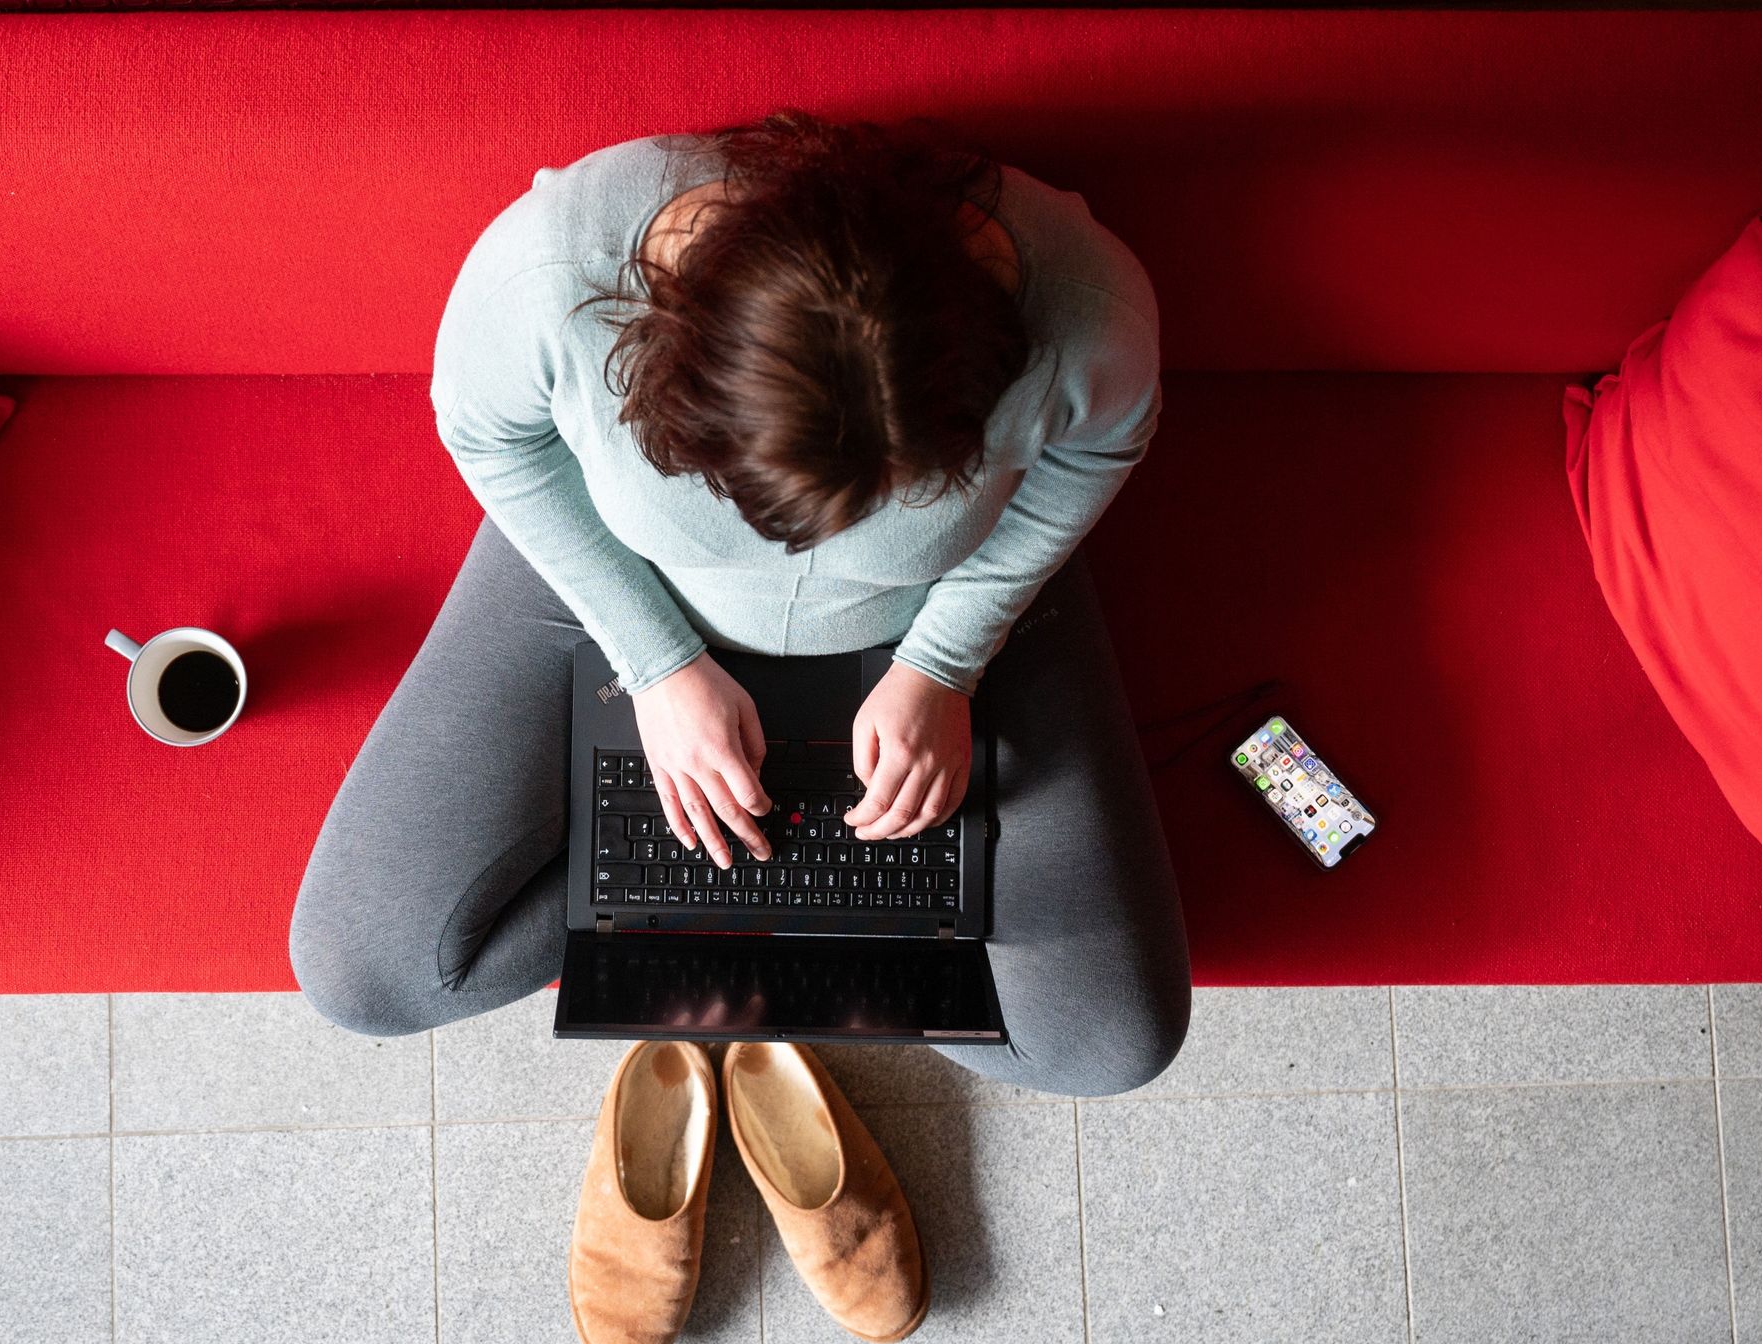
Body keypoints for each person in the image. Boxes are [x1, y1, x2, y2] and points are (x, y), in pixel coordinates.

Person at [289, 109, 1189, 1099]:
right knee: (362, 975)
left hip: (943, 606)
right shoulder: (553, 276)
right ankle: (770, 900)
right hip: (627, 574)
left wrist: (943, 661)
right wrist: (656, 664)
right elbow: (489, 439)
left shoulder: (1084, 310)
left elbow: (1096, 449)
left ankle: (736, 903)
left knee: (1108, 1045)